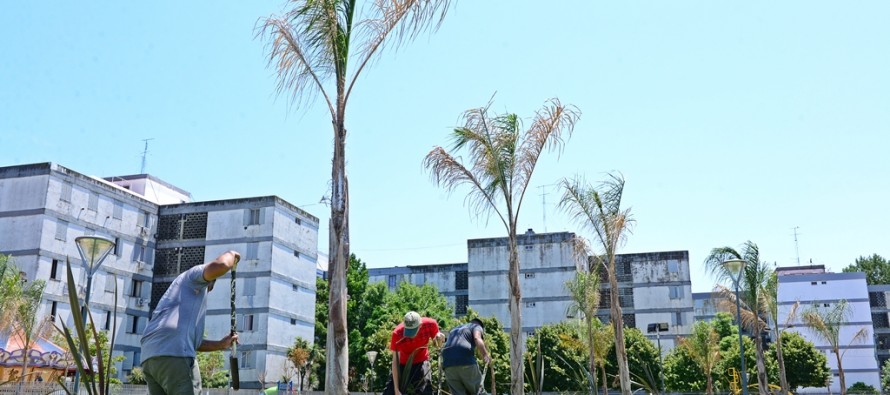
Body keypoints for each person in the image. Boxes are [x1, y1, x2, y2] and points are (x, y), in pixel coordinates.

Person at [140, 250, 241, 395]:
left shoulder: (184, 300)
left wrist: (219, 344)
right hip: (173, 354)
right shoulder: (192, 276)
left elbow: (193, 343)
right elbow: (222, 265)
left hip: (150, 357)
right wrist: (232, 254)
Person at [383, 311, 445, 395]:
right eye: (408, 330)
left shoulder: (431, 324)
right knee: (389, 392)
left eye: (413, 330)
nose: (410, 334)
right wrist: (396, 389)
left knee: (425, 391)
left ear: (420, 325)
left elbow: (437, 345)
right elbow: (395, 362)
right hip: (402, 364)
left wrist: (440, 338)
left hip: (421, 361)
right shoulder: (397, 333)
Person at [441, 318, 491, 395]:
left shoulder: (455, 329)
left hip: (447, 365)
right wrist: (485, 355)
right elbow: (477, 338)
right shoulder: (476, 326)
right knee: (478, 392)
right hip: (465, 362)